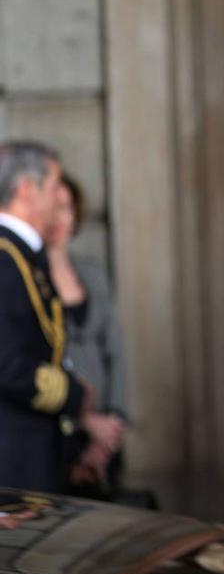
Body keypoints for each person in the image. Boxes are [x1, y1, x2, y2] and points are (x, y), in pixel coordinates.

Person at [0, 141, 125, 495]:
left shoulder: (21, 254)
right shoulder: (6, 259)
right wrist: (74, 394)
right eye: (54, 186)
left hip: (39, 451)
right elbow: (9, 365)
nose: (59, 198)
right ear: (27, 189)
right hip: (17, 462)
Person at [45, 174, 131, 497]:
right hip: (58, 428)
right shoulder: (27, 277)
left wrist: (113, 422)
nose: (59, 218)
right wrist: (85, 420)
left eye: (66, 208)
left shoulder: (91, 271)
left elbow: (115, 350)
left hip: (105, 432)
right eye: (53, 208)